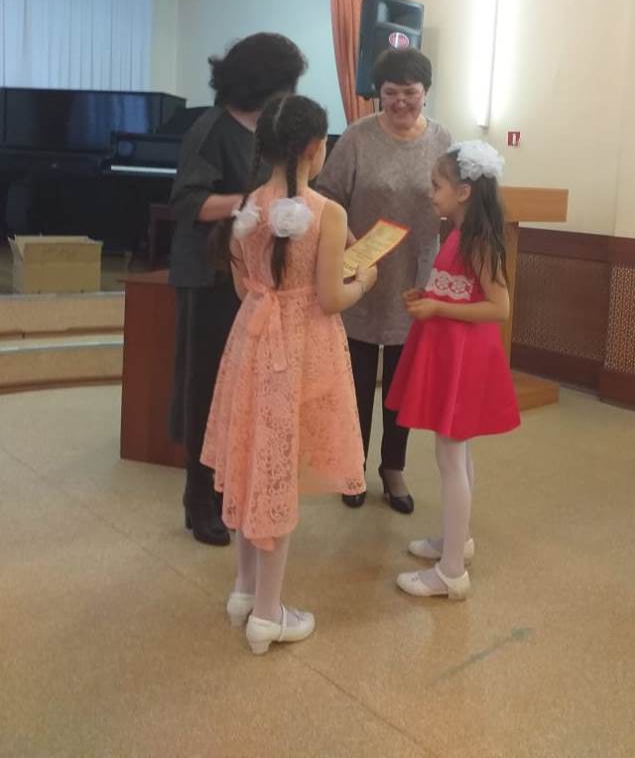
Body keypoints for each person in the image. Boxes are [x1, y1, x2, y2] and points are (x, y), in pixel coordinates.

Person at [201, 94, 376, 655]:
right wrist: (364, 280)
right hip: (299, 353)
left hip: (250, 346)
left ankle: (244, 591)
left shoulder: (247, 206)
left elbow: (243, 287)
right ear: (314, 148)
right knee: (278, 475)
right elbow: (330, 298)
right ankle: (268, 615)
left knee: (253, 461)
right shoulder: (328, 213)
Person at [168, 33, 307, 547]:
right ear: (262, 82)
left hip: (249, 275)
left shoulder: (265, 129)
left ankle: (225, 490)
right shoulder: (210, 129)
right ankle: (198, 499)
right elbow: (189, 203)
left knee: (238, 389)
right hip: (208, 276)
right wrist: (252, 199)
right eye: (284, 85)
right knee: (205, 386)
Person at [316, 48, 451, 513]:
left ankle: (393, 468)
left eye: (409, 92)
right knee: (353, 382)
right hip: (361, 273)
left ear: (426, 92)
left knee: (401, 384)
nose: (399, 102)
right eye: (390, 93)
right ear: (378, 94)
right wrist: (352, 244)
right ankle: (351, 468)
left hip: (415, 279)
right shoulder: (357, 137)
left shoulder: (442, 140)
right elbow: (327, 197)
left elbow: (455, 201)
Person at [386, 141, 521, 600]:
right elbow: (461, 291)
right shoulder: (458, 234)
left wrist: (439, 307)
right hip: (449, 350)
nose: (431, 193)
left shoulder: (478, 240)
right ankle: (456, 541)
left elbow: (498, 308)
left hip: (465, 355)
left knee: (450, 456)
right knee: (456, 454)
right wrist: (429, 298)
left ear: (463, 192)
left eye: (437, 185)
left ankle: (450, 573)